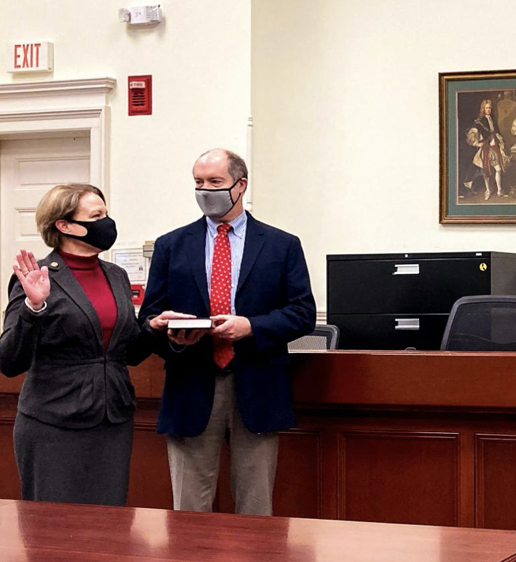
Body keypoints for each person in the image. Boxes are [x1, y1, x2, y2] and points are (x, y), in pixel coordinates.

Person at [139, 149, 315, 515]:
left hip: (257, 383)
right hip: (191, 383)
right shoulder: (171, 245)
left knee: (255, 505)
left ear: (241, 185)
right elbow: (149, 318)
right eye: (198, 183)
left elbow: (303, 314)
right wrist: (169, 333)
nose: (205, 191)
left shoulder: (282, 245)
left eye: (215, 183)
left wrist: (251, 326)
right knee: (189, 508)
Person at [0, 183, 152, 505]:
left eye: (106, 214)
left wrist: (157, 329)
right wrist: (34, 307)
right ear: (64, 225)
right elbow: (11, 360)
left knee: (109, 526)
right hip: (53, 422)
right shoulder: (37, 277)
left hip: (113, 420)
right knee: (55, 529)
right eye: (96, 216)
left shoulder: (117, 275)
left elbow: (128, 352)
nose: (106, 223)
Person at [469, 99, 510, 200]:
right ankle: (488, 191)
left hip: (495, 146)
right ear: (483, 108)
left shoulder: (493, 118)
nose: (489, 110)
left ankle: (499, 190)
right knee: (486, 171)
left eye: (490, 108)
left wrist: (500, 140)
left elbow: (497, 131)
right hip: (486, 148)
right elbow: (473, 132)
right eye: (487, 108)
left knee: (498, 169)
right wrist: (477, 143)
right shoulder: (480, 121)